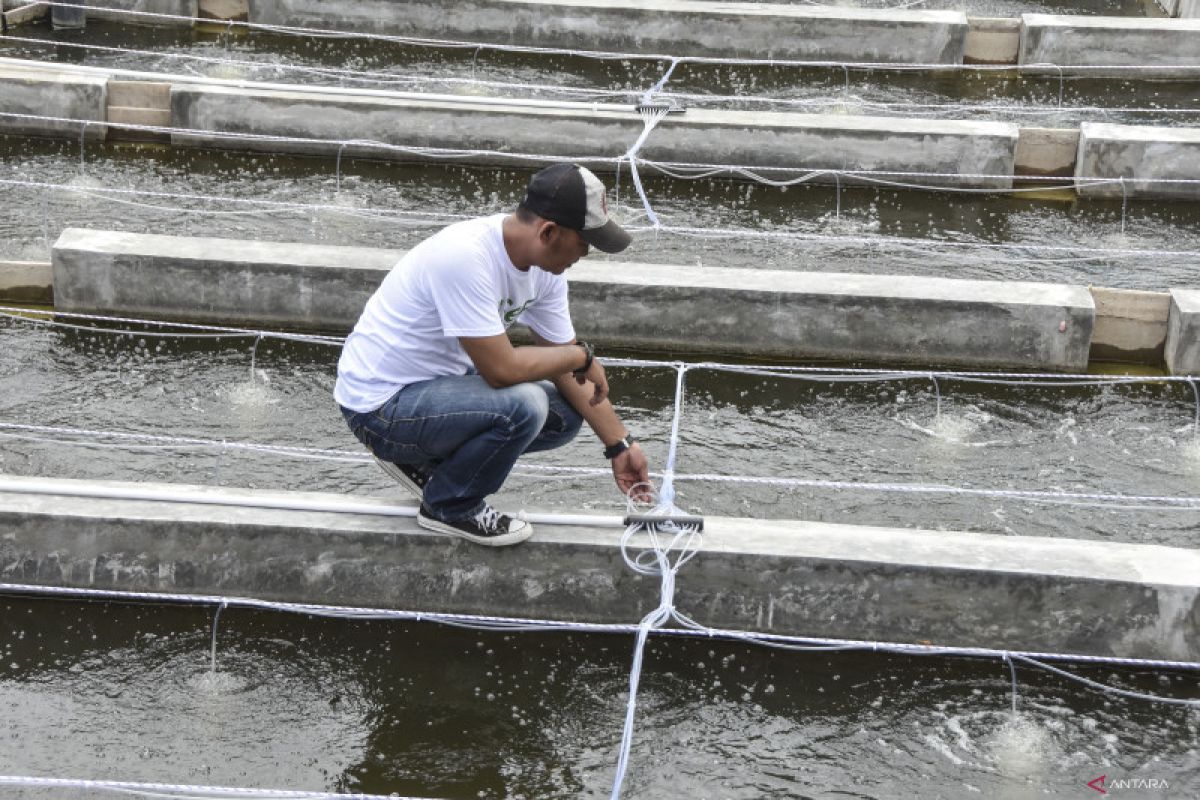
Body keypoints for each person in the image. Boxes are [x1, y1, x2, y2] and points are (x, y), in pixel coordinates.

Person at [335, 163, 651, 547]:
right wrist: (580, 358)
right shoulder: (464, 256)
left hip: (437, 389)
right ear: (549, 232)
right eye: (585, 242)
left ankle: (430, 466)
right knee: (526, 405)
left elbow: (568, 369)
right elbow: (502, 370)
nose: (587, 253)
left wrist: (620, 445)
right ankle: (450, 504)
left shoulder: (547, 272)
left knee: (566, 415)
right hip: (380, 407)